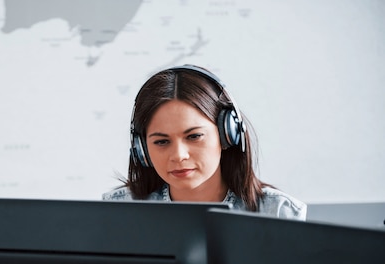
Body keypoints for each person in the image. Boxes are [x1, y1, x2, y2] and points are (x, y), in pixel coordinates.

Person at [103, 65, 306, 219]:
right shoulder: (119, 210)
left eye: (193, 136)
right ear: (142, 149)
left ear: (228, 134)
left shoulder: (278, 213)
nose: (179, 155)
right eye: (162, 142)